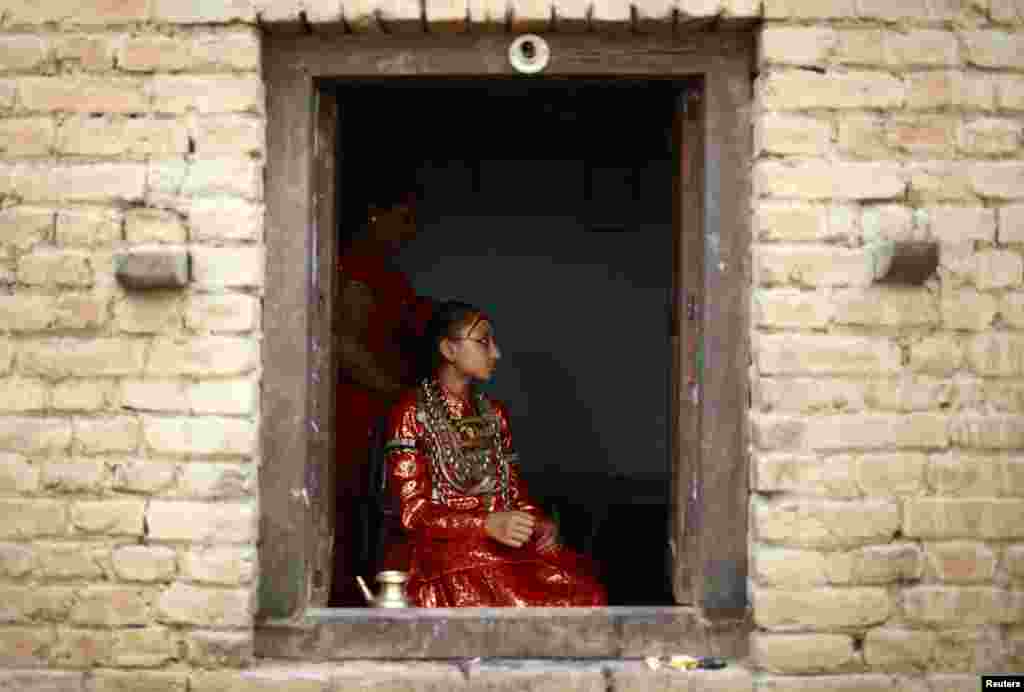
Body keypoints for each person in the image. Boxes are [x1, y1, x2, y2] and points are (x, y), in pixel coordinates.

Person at [381, 301, 607, 607]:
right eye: (484, 342)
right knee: (518, 600)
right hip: (444, 549)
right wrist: (485, 525)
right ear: (449, 350)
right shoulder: (411, 412)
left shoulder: (493, 413)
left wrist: (537, 523)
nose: (496, 353)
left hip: (500, 545)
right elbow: (413, 513)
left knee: (584, 591)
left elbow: (513, 494)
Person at [331, 188, 433, 607]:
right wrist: (396, 393)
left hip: (384, 406)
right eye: (404, 217)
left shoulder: (387, 273)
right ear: (375, 215)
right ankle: (347, 597)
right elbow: (347, 348)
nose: (411, 230)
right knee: (353, 501)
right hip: (360, 406)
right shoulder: (357, 269)